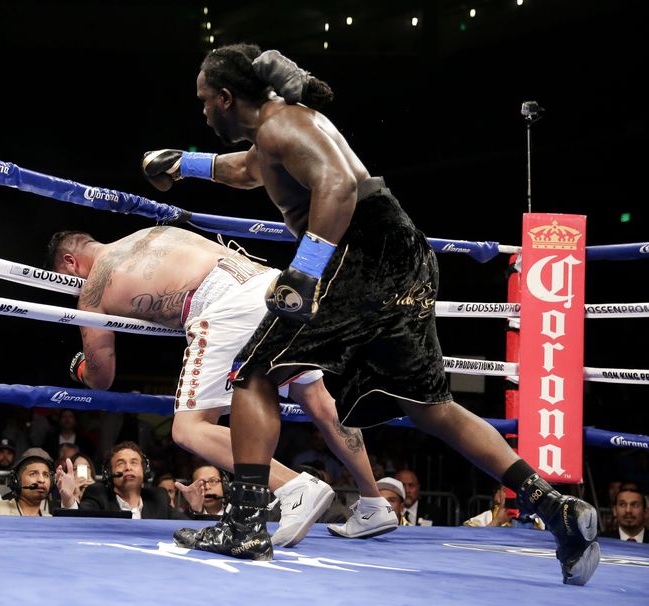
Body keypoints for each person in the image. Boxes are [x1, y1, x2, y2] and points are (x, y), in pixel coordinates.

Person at [138, 43, 600, 583]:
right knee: (430, 406)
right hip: (400, 253)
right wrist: (181, 163)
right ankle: (554, 506)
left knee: (253, 375)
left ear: (224, 97)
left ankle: (244, 525)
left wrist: (304, 272)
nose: (202, 113)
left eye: (202, 102)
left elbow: (337, 185)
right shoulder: (279, 133)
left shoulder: (281, 125)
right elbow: (247, 172)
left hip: (361, 253)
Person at [48, 227, 395, 545]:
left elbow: (101, 376)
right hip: (271, 283)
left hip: (224, 306)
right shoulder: (152, 232)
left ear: (70, 261)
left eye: (66, 278)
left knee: (189, 429)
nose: (72, 285)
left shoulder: (94, 285)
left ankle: (294, 487)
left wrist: (79, 366)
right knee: (316, 398)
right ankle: (373, 504)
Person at [56, 441, 186, 519]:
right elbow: (79, 520)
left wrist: (196, 509)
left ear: (144, 470)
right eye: (120, 463)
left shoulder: (158, 498)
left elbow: (187, 527)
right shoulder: (98, 494)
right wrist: (68, 499)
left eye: (134, 462)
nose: (128, 468)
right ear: (109, 473)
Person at [0, 448, 54, 516]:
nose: (41, 480)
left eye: (46, 475)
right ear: (16, 481)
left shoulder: (50, 519)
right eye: (33, 474)